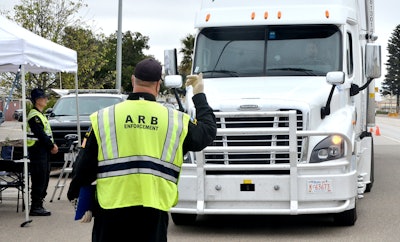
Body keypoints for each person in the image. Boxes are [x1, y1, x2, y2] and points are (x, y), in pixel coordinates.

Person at [67, 58, 217, 242]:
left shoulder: (105, 118)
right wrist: (199, 94)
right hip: (153, 211)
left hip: (111, 210)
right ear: (158, 85)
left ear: (132, 80)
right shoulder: (175, 120)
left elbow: (84, 165)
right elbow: (207, 132)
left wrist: (79, 199)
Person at [27, 88, 58, 216]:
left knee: (44, 178)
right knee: (39, 179)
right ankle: (35, 206)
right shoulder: (34, 116)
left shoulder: (40, 115)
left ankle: (39, 204)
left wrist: (51, 145)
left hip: (43, 151)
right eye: (43, 98)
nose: (46, 100)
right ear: (37, 100)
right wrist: (51, 146)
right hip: (37, 151)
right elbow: (41, 134)